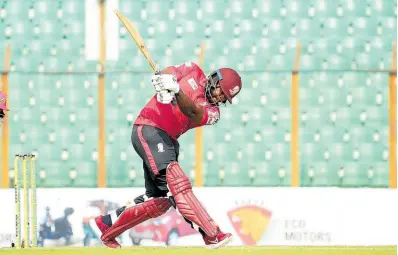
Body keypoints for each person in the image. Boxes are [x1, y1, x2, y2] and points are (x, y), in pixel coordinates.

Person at [90, 62, 242, 249]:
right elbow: (168, 72)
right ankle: (211, 235)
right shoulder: (192, 70)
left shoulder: (214, 113)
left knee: (158, 200)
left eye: (224, 97)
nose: (219, 97)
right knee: (178, 185)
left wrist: (176, 90)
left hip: (167, 140)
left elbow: (192, 112)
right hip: (150, 127)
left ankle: (105, 225)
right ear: (215, 78)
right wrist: (162, 81)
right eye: (221, 90)